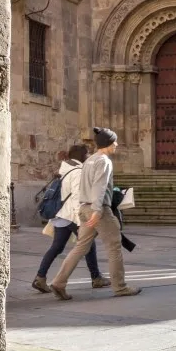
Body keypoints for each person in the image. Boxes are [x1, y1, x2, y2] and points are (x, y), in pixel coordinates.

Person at [50, 127, 141, 300]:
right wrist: (98, 211)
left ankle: (58, 282)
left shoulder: (89, 160)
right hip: (97, 209)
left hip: (84, 208)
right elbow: (99, 188)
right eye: (114, 141)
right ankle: (120, 287)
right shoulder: (104, 161)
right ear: (107, 143)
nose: (117, 144)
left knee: (80, 247)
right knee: (114, 245)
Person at [32, 144, 110, 294]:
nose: (88, 157)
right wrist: (81, 222)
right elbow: (76, 197)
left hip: (61, 214)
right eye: (87, 154)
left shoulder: (66, 169)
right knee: (88, 243)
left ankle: (40, 278)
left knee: (57, 247)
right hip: (70, 215)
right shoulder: (78, 172)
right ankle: (96, 278)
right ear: (81, 156)